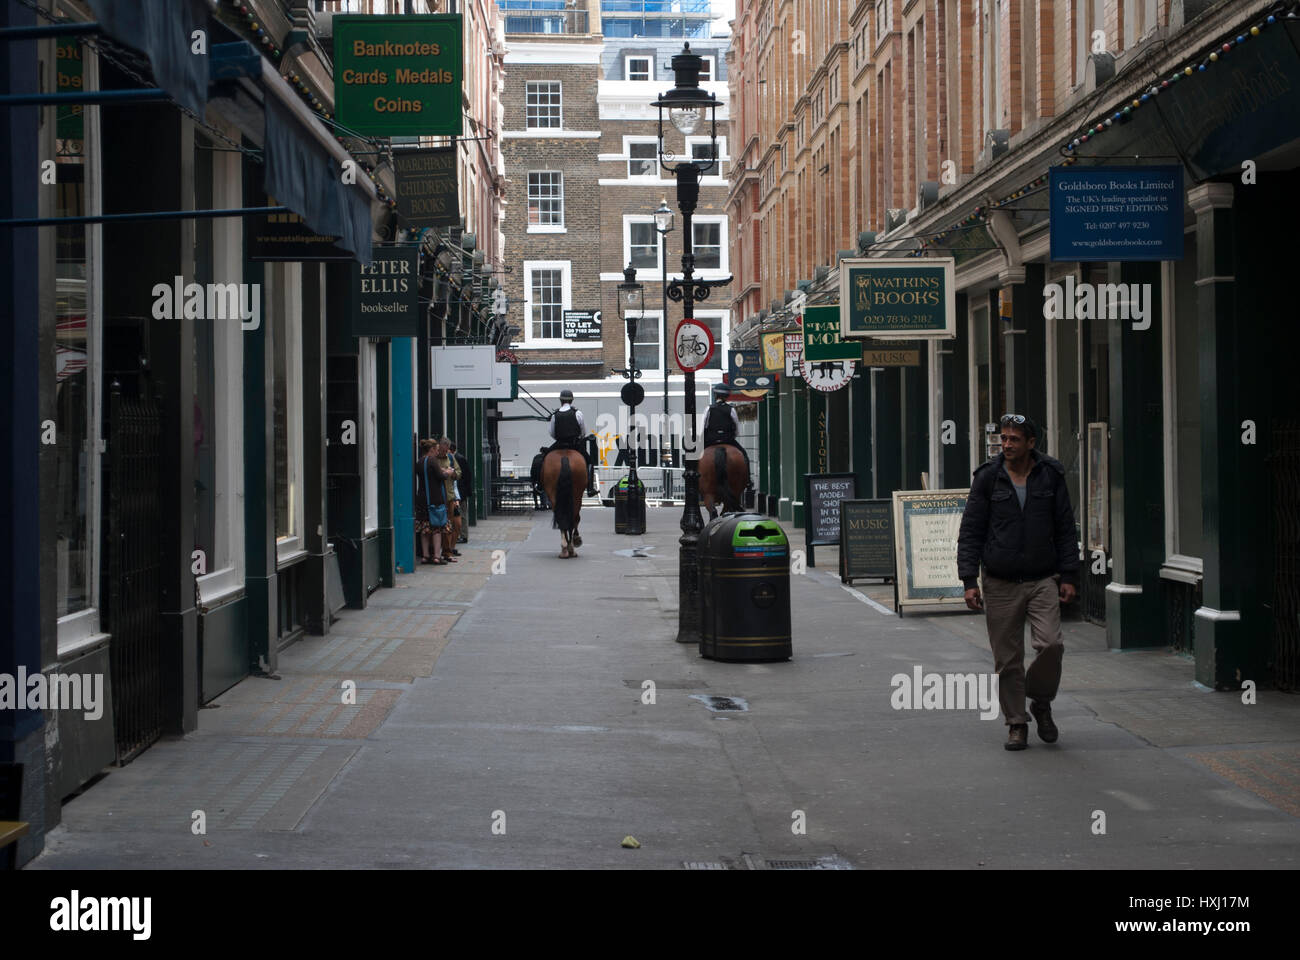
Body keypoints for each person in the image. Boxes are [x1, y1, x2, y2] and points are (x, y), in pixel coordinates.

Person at [957, 414, 1080, 751]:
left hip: (1043, 578)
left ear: (1031, 443)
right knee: (1008, 659)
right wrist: (969, 580)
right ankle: (1016, 723)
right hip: (999, 581)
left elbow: (1066, 528)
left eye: (1013, 439)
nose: (1006, 445)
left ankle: (1040, 701)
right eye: (1003, 439)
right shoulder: (987, 478)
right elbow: (971, 531)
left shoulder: (1050, 475)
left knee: (1051, 644)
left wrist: (1069, 574)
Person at [700, 381, 752, 490]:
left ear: (715, 395)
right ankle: (748, 480)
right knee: (744, 455)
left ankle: (696, 480)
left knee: (695, 458)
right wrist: (733, 436)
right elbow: (736, 427)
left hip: (711, 440)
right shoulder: (731, 409)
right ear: (727, 396)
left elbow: (703, 425)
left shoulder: (709, 409)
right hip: (728, 440)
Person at [547, 388, 598, 496]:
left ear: (560, 400)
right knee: (589, 462)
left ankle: (539, 486)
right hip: (574, 444)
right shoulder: (578, 413)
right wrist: (579, 437)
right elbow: (583, 431)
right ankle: (590, 488)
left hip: (559, 444)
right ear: (572, 400)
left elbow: (552, 433)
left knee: (542, 458)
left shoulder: (555, 415)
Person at [415, 438, 451, 565]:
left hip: (422, 499)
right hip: (435, 499)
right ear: (431, 450)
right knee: (437, 528)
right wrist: (447, 472)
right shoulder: (432, 461)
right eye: (436, 449)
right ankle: (436, 556)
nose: (437, 452)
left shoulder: (419, 462)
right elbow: (440, 477)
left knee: (424, 529)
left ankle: (425, 556)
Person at [434, 436, 461, 563]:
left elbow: (458, 473)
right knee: (436, 525)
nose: (443, 452)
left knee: (449, 525)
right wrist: (442, 471)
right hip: (436, 496)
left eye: (446, 450)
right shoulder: (434, 458)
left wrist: (452, 473)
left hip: (449, 496)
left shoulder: (450, 458)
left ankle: (447, 551)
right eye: (442, 450)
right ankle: (435, 553)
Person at [450, 441, 473, 544]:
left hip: (460, 491)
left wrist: (463, 491)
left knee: (462, 514)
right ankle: (461, 534)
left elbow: (466, 476)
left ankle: (463, 535)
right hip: (459, 491)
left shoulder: (459, 459)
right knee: (460, 513)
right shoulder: (458, 458)